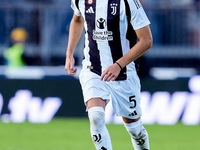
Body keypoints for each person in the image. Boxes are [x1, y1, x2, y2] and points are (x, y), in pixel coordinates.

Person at [65, 0, 152, 149]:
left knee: (135, 130)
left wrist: (119, 65)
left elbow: (146, 40)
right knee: (96, 117)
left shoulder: (127, 2)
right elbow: (77, 20)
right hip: (93, 68)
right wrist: (69, 52)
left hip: (124, 72)